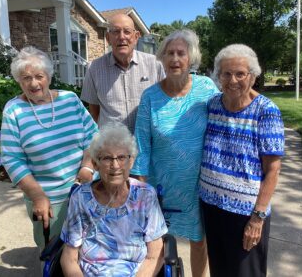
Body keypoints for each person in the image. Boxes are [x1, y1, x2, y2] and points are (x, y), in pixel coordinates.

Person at [131, 29, 219, 277]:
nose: (175, 59)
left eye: (181, 53)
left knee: (199, 241)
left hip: (198, 183)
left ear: (191, 59)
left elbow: (223, 122)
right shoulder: (150, 96)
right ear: (161, 58)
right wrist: (140, 184)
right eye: (169, 53)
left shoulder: (206, 88)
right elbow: (141, 141)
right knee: (157, 240)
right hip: (162, 183)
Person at [199, 44, 284, 277]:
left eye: (240, 74)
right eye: (226, 73)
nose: (232, 80)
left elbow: (273, 170)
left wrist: (258, 218)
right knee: (220, 270)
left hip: (245, 213)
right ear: (218, 76)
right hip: (211, 205)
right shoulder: (213, 104)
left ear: (253, 76)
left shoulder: (266, 111)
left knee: (246, 273)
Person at [1, 46, 98, 249]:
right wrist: (37, 196)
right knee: (55, 255)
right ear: (19, 80)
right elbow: (12, 159)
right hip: (48, 200)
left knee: (93, 250)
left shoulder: (70, 100)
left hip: (87, 191)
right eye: (26, 78)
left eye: (39, 76)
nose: (34, 83)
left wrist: (87, 166)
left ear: (49, 76)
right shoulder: (14, 110)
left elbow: (94, 137)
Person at [60, 122, 167, 276]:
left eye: (122, 157)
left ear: (131, 161)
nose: (115, 165)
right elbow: (69, 258)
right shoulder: (81, 198)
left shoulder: (146, 196)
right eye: (107, 158)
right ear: (96, 164)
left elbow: (154, 255)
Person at [80, 13, 165, 133]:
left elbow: (164, 103)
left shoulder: (155, 64)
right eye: (115, 31)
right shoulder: (94, 68)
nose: (121, 37)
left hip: (147, 142)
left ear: (136, 37)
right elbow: (94, 110)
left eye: (127, 31)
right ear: (108, 38)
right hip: (113, 146)